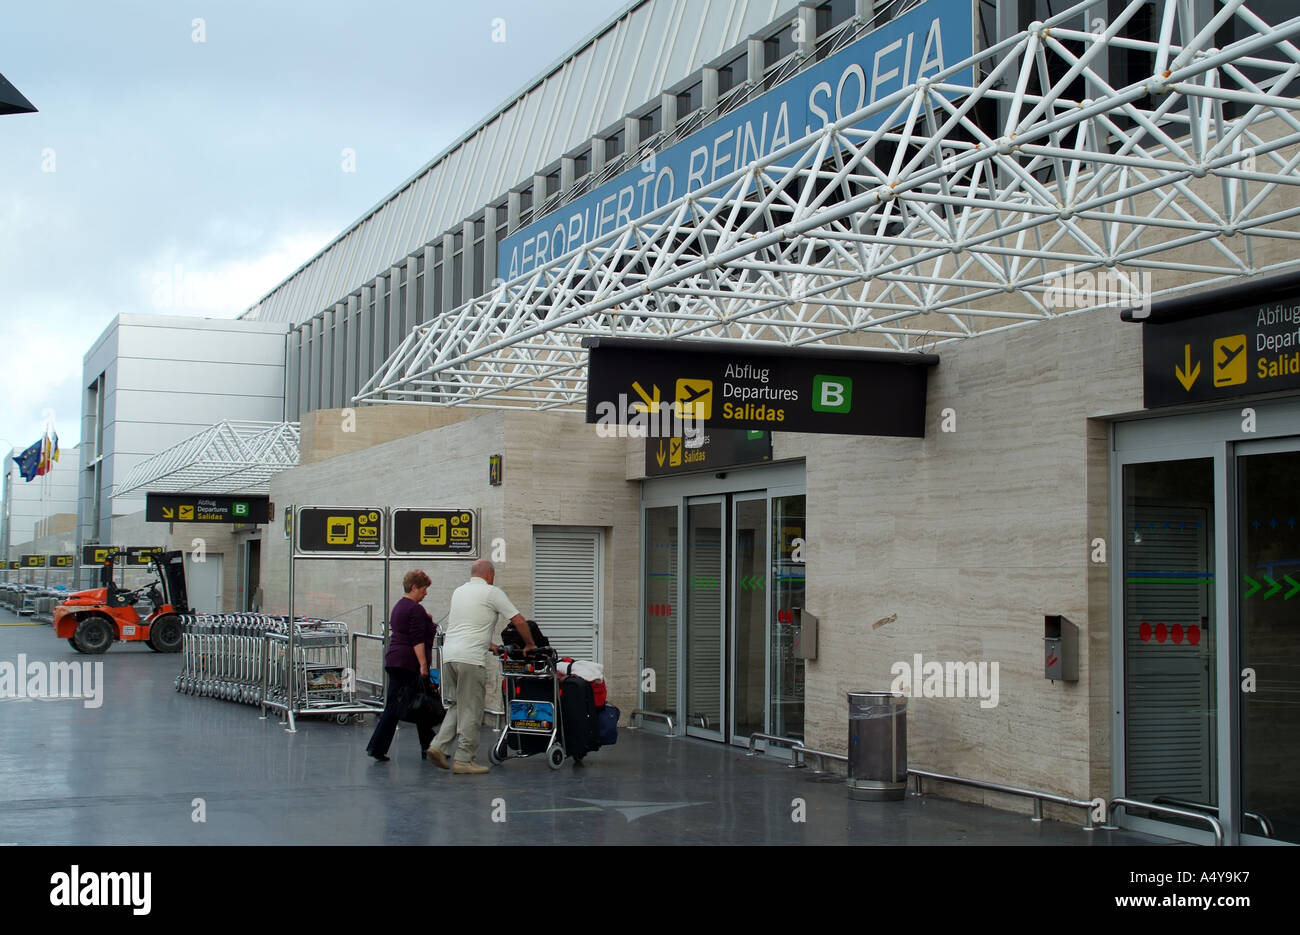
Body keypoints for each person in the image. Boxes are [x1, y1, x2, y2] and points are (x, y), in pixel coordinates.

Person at [426, 559, 534, 774]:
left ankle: (438, 746)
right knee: (472, 709)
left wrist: (489, 645)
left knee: (458, 705)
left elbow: (467, 626)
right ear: (490, 574)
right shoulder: (492, 592)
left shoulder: (459, 591)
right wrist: (530, 644)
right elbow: (519, 620)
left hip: (450, 656)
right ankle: (464, 760)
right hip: (470, 659)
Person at [365, 569, 437, 761]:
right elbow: (417, 639)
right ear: (414, 587)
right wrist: (423, 665)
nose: (425, 593)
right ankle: (378, 747)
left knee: (415, 703)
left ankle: (428, 747)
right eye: (423, 589)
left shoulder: (399, 607)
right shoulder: (415, 609)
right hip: (408, 663)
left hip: (395, 659)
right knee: (405, 704)